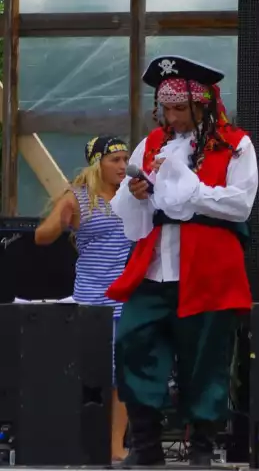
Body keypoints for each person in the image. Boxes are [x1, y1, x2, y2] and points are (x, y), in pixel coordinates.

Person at [107, 56, 259, 466]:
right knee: (133, 341)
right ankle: (146, 446)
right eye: (166, 108)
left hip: (209, 271)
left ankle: (202, 449)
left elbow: (241, 204)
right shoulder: (152, 143)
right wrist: (137, 194)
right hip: (154, 269)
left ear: (202, 104)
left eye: (180, 108)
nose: (172, 117)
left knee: (206, 359)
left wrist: (190, 191)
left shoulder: (235, 144)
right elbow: (127, 207)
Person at [35, 135, 133, 461]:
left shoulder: (132, 194)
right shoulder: (78, 198)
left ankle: (115, 446)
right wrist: (60, 221)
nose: (122, 166)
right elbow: (41, 236)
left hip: (126, 301)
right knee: (85, 374)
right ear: (97, 164)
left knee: (121, 377)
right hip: (90, 301)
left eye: (125, 159)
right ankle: (72, 440)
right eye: (115, 160)